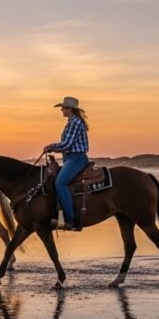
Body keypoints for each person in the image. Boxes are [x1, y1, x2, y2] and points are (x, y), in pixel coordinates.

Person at [43, 97, 89, 230]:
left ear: (70, 109)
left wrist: (51, 146)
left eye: (63, 108)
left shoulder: (74, 122)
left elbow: (67, 144)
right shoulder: (72, 122)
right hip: (71, 158)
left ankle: (69, 220)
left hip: (76, 158)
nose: (62, 110)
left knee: (60, 183)